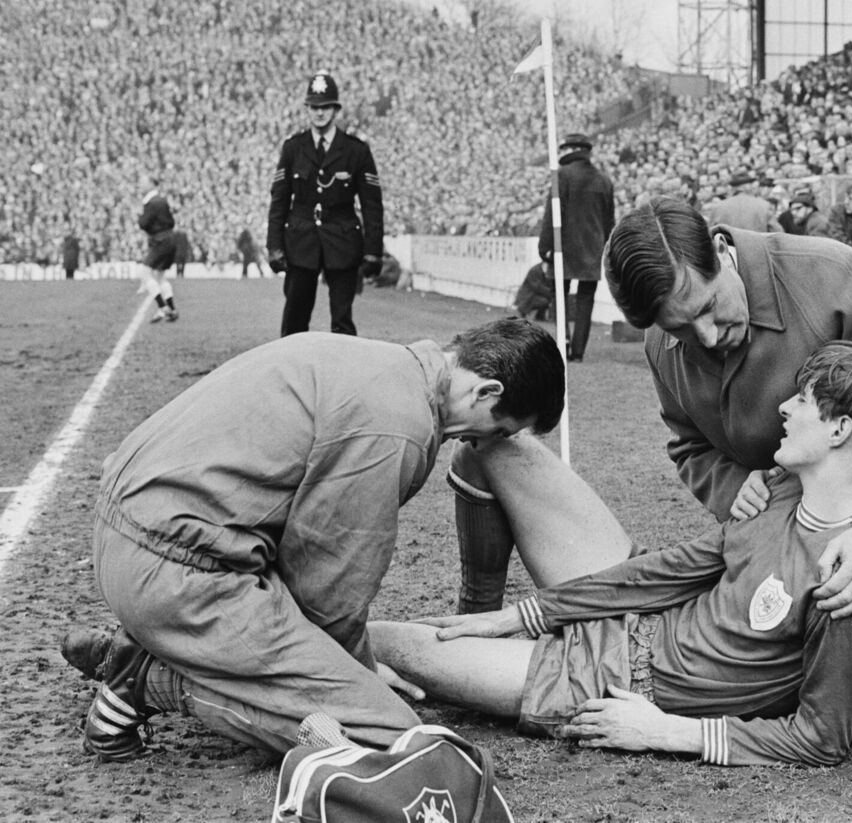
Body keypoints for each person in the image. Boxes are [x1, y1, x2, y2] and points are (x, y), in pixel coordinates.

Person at [369, 340, 852, 766]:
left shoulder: (849, 589)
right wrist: (518, 614)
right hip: (637, 617)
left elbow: (823, 739)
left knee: (387, 641)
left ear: (841, 430)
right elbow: (675, 570)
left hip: (617, 679)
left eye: (803, 400)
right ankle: (477, 607)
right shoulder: (781, 489)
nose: (785, 408)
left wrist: (667, 731)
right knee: (498, 442)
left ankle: (289, 650)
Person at [600, 197, 852, 757]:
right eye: (683, 328)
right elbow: (689, 445)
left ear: (722, 251)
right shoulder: (664, 344)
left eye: (710, 306)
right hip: (814, 480)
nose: (709, 336)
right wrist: (731, 482)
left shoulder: (832, 276)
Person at [58, 318, 564, 761]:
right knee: (394, 741)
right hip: (176, 577)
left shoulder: (369, 359)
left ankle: (166, 649)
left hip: (130, 536)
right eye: (500, 430)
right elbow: (327, 587)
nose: (482, 444)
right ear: (487, 393)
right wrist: (355, 674)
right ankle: (151, 678)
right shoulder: (397, 425)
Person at [267, 71, 383, 337]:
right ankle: (293, 374)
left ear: (335, 109)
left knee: (342, 322)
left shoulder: (356, 150)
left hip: (342, 243)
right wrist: (274, 245)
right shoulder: (293, 148)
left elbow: (372, 205)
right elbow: (279, 201)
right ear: (307, 109)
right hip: (301, 243)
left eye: (326, 107)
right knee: (294, 319)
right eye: (314, 107)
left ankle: (343, 377)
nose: (320, 113)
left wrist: (373, 251)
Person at [538, 133, 615, 362]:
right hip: (592, 248)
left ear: (571, 150)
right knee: (585, 300)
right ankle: (578, 351)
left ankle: (565, 340)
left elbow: (553, 214)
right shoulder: (604, 180)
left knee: (559, 295)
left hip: (565, 246)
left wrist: (545, 247)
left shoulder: (562, 175)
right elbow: (609, 220)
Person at [137, 177, 180, 324]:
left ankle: (163, 307)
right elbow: (172, 222)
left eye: (142, 183)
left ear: (150, 184)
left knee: (145, 273)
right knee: (160, 276)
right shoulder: (162, 200)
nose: (140, 185)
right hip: (170, 238)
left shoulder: (151, 202)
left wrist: (139, 216)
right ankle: (172, 309)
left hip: (160, 240)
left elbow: (144, 223)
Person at [707, 172, 783, 233]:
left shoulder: (718, 207)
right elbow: (778, 234)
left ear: (733, 188)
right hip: (757, 250)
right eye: (751, 185)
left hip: (729, 251)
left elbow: (709, 236)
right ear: (747, 187)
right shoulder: (764, 206)